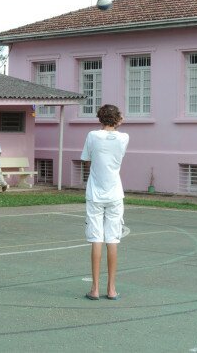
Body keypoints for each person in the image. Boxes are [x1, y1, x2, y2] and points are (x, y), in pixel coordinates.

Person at [81, 104, 129, 301]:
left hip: (95, 193)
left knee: (96, 238)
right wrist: (118, 121)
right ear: (117, 119)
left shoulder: (93, 135)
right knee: (113, 239)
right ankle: (111, 288)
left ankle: (95, 288)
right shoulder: (124, 137)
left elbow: (86, 159)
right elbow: (118, 126)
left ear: (100, 118)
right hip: (115, 193)